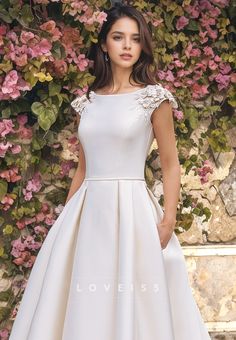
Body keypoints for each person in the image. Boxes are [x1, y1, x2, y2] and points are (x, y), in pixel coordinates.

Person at [9, 3, 211, 340]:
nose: (128, 46)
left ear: (143, 45)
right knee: (84, 299)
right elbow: (84, 167)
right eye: (118, 37)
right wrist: (65, 221)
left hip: (132, 212)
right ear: (105, 44)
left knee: (136, 297)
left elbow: (170, 162)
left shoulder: (154, 99)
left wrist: (169, 219)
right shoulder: (87, 102)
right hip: (87, 212)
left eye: (135, 38)